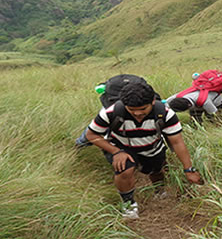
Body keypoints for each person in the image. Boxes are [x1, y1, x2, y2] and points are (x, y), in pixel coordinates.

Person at [84, 80, 203, 219]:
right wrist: (116, 152)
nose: (137, 113)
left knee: (156, 170)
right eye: (132, 110)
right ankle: (129, 204)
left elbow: (177, 142)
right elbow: (91, 134)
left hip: (152, 147)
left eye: (142, 109)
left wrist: (188, 170)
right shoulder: (110, 113)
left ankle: (159, 190)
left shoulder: (165, 114)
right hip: (121, 147)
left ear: (152, 101)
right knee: (124, 169)